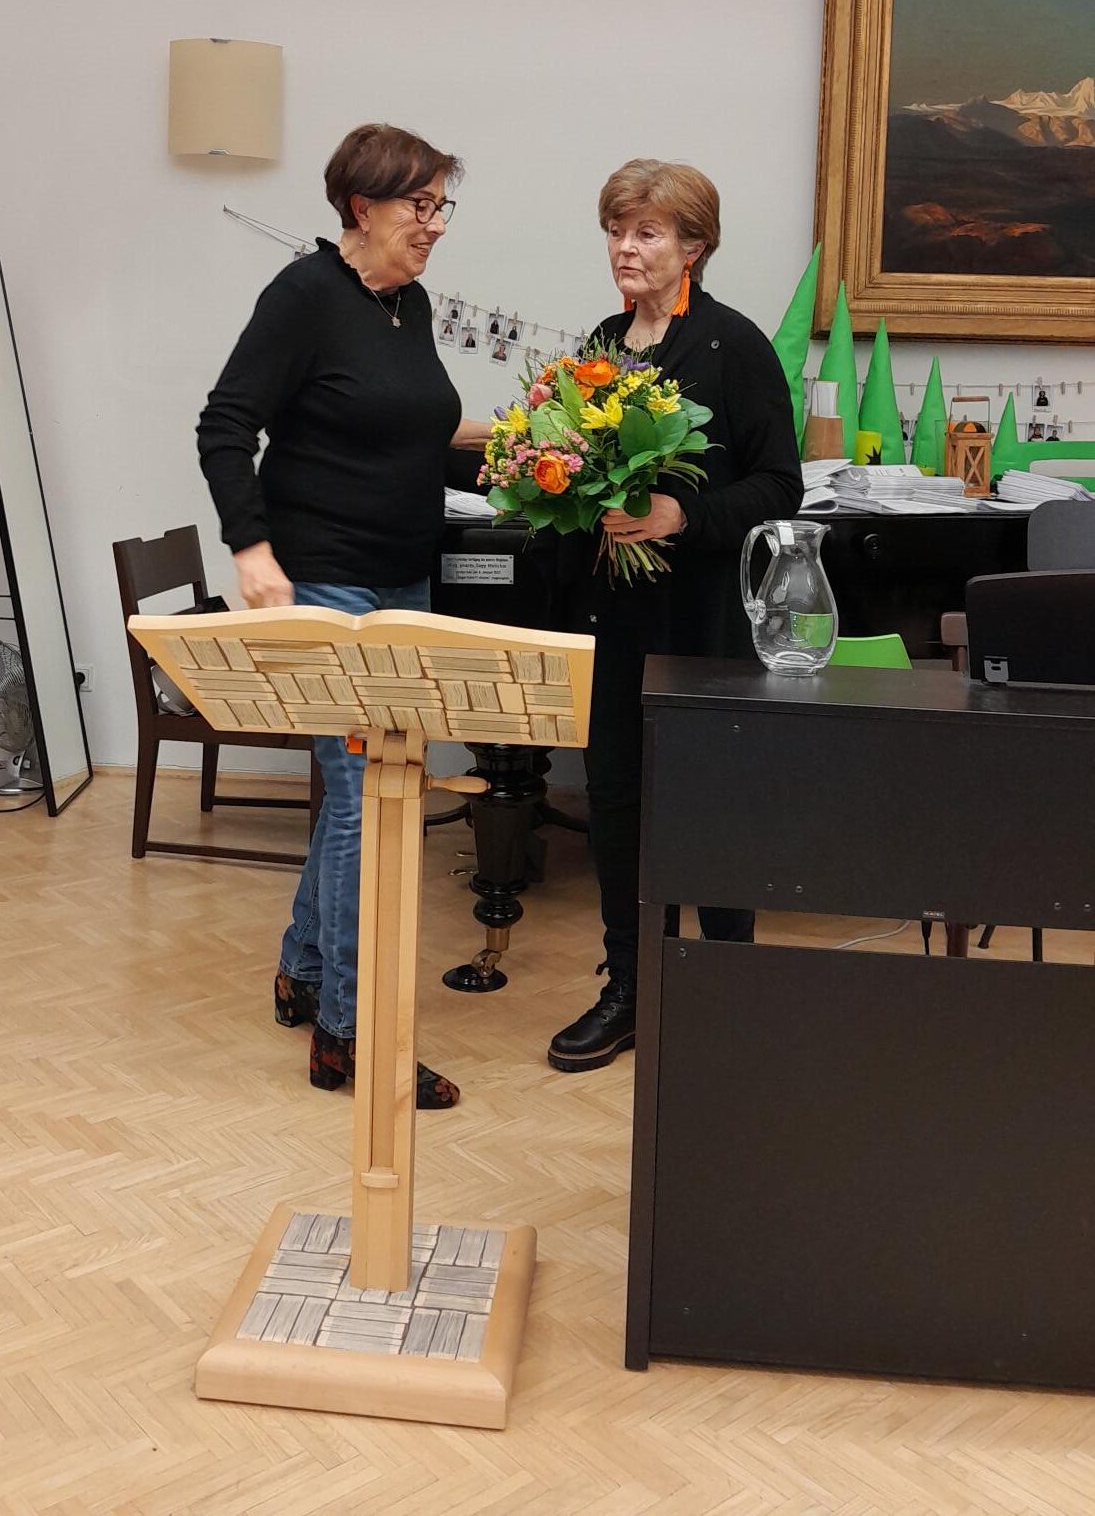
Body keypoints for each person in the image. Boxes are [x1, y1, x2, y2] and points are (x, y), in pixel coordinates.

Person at [198, 123, 489, 1106]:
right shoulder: (304, 296)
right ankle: (351, 1037)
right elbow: (225, 425)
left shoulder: (408, 306)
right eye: (420, 205)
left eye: (442, 206)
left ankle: (303, 969)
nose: (435, 224)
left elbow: (413, 436)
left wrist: (527, 452)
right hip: (326, 583)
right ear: (362, 206)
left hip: (404, 581)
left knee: (360, 797)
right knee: (368, 805)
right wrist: (252, 550)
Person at [548, 159, 803, 1073]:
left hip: (704, 622)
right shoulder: (602, 345)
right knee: (615, 799)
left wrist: (679, 516)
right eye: (617, 229)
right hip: (617, 618)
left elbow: (780, 486)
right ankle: (630, 987)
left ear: (693, 246)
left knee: (712, 802)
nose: (626, 247)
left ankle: (726, 991)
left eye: (647, 232)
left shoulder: (736, 346)